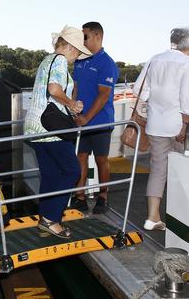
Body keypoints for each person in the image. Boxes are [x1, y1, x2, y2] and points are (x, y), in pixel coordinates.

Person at [24, 26, 89, 238]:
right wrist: (72, 104)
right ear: (70, 47)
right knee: (72, 170)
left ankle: (45, 220)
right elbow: (53, 89)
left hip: (35, 127)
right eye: (78, 51)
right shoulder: (60, 60)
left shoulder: (47, 60)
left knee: (50, 174)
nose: (77, 56)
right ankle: (51, 219)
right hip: (51, 128)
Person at [132, 28, 189, 231]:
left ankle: (152, 218)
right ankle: (178, 220)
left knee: (158, 170)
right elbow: (186, 97)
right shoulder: (186, 63)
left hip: (155, 125)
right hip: (176, 126)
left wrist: (155, 103)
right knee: (177, 171)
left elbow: (139, 88)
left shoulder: (154, 59)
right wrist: (184, 124)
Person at [70, 21, 119, 214]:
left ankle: (103, 197)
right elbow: (75, 88)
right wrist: (72, 109)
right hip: (81, 120)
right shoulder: (80, 61)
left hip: (100, 121)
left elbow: (103, 94)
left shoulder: (107, 63)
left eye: (85, 37)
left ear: (97, 36)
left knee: (101, 159)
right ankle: (80, 196)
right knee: (80, 156)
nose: (82, 41)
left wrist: (86, 118)